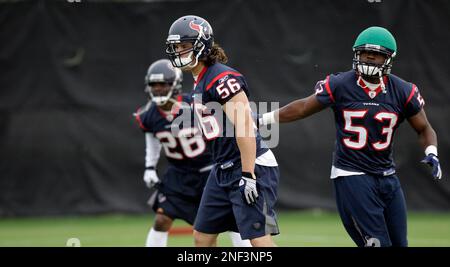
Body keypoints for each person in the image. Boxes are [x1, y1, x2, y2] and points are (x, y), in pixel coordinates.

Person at [258, 26, 442, 247]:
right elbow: (304, 107)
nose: (369, 58)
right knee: (378, 244)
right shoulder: (341, 84)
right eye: (365, 53)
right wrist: (261, 119)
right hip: (352, 175)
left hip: (387, 177)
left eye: (376, 55)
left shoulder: (403, 91)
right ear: (356, 54)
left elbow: (424, 128)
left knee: (400, 244)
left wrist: (431, 152)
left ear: (389, 59)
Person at [165, 15, 280, 247]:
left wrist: (248, 175)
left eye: (184, 46)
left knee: (258, 240)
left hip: (248, 164)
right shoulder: (200, 79)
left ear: (202, 45)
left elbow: (245, 127)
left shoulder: (221, 78)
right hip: (223, 167)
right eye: (176, 47)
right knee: (202, 237)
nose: (179, 52)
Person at [135, 59, 251, 247]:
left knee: (233, 221)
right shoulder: (147, 114)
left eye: (162, 84)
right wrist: (149, 167)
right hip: (179, 174)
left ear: (175, 84)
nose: (157, 89)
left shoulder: (194, 103)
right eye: (153, 85)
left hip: (208, 170)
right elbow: (153, 140)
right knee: (161, 220)